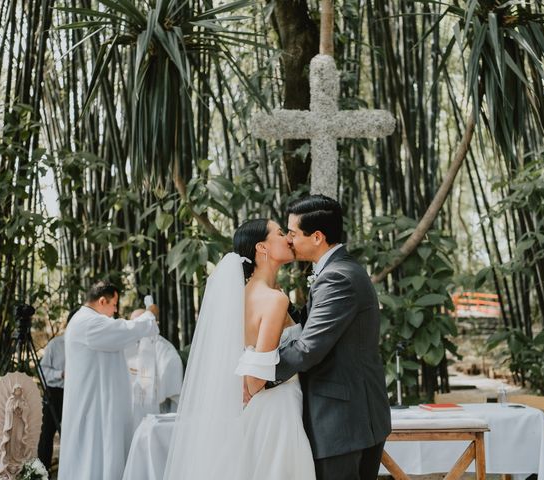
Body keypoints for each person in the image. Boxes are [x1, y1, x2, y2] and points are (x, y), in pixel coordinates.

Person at [162, 219, 315, 479]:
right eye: (280, 233)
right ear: (262, 248)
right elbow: (255, 379)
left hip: (258, 409)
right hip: (279, 410)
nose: (288, 239)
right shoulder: (274, 299)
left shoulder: (241, 295)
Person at [268, 195, 391, 480]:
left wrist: (258, 373)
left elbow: (308, 349)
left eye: (294, 233)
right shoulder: (338, 271)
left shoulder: (337, 278)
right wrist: (273, 298)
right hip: (351, 417)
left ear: (317, 237)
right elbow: (314, 326)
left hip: (342, 421)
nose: (288, 240)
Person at [58, 281, 159, 480]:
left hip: (97, 404)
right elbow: (124, 330)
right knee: (93, 457)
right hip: (93, 407)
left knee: (99, 455)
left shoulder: (87, 320)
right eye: (114, 305)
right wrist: (149, 315)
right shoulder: (88, 322)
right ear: (102, 300)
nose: (115, 311)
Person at [125, 308, 183, 431]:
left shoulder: (163, 346)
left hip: (154, 407)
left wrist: (158, 387)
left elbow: (172, 365)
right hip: (127, 406)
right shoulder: (126, 347)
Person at [37, 307, 79, 471]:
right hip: (55, 393)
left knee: (73, 434)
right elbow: (42, 371)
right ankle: (41, 472)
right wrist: (60, 374)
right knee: (47, 434)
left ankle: (72, 470)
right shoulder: (56, 344)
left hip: (77, 394)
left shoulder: (88, 346)